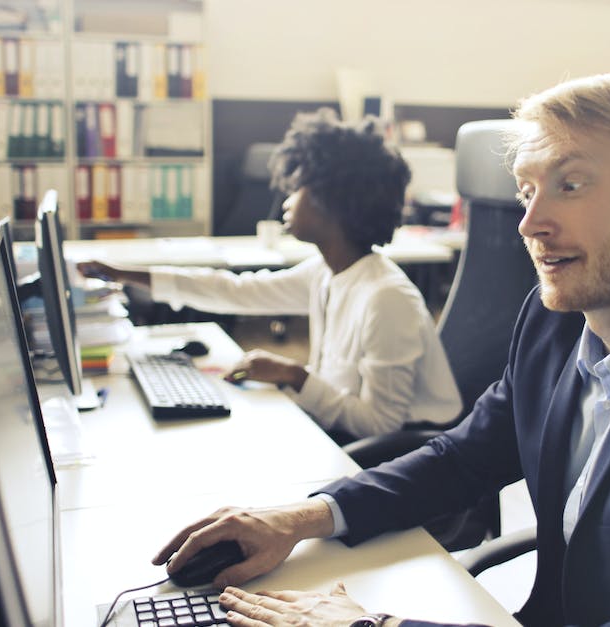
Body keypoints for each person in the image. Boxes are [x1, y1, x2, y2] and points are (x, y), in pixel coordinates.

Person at [150, 75, 610, 627]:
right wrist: (299, 518)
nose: (531, 223)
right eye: (526, 189)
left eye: (570, 184)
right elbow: (464, 457)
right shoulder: (554, 322)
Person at [78, 108, 461, 442]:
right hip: (345, 434)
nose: (288, 199)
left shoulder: (386, 298)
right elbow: (234, 290)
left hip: (403, 455)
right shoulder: (328, 272)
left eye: (301, 188)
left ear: (334, 202)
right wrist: (126, 274)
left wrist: (294, 375)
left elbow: (381, 426)